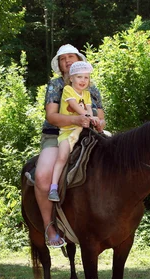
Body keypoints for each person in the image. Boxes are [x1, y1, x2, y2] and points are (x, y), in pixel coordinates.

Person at [34, 44, 106, 248]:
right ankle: (49, 226)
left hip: (88, 134)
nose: (67, 61)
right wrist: (76, 120)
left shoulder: (91, 87)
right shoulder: (55, 85)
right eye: (62, 58)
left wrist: (99, 123)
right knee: (42, 176)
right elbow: (52, 116)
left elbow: (100, 116)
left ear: (79, 60)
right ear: (59, 64)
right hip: (57, 135)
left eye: (71, 57)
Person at [48, 61, 98, 202]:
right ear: (71, 78)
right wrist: (88, 116)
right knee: (62, 156)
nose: (83, 81)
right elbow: (76, 107)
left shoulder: (87, 94)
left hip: (83, 129)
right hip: (68, 131)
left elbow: (88, 109)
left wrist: (94, 119)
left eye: (86, 78)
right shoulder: (68, 90)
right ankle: (53, 187)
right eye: (79, 77)